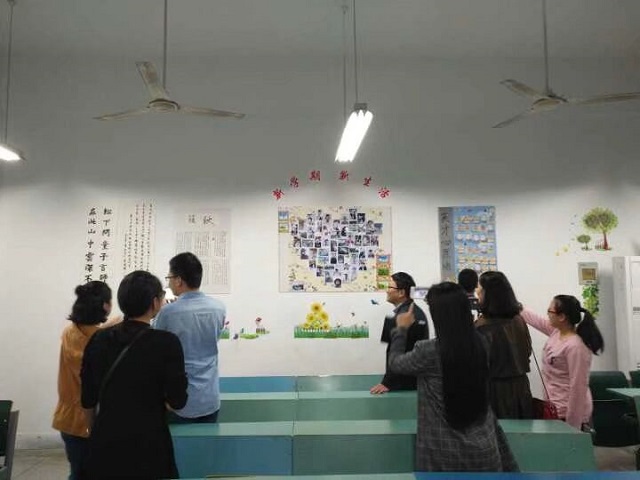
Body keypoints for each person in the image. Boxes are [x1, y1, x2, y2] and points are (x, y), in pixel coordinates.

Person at [388, 282, 518, 472]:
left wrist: (401, 330)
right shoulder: (481, 344)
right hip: (484, 449)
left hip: (443, 454)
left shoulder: (428, 351)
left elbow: (395, 363)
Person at [81, 271, 188, 480]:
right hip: (150, 447)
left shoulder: (98, 339)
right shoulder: (167, 343)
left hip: (106, 445)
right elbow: (177, 401)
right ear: (155, 302)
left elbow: (87, 399)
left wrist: (94, 433)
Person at [154, 252, 226, 423]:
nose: (168, 283)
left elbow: (157, 347)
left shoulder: (167, 313)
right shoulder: (219, 308)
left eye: (169, 278)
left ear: (179, 280)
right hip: (210, 398)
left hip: (179, 401)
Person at [52, 281, 113, 480]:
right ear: (105, 306)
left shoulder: (69, 332)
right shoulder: (102, 340)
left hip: (68, 419)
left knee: (77, 472)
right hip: (91, 420)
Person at [521, 295, 604, 430]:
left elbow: (578, 388)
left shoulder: (576, 346)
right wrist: (514, 305)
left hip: (570, 413)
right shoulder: (557, 332)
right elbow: (536, 320)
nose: (547, 314)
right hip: (555, 410)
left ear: (562, 317)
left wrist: (573, 427)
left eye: (550, 311)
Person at [475, 271, 533, 419]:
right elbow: (527, 352)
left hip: (493, 391)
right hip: (521, 389)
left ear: (488, 295)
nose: (477, 294)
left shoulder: (482, 326)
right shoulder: (519, 320)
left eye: (480, 290)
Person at [370, 272, 429, 394]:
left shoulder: (404, 317)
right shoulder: (413, 312)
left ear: (401, 293)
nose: (387, 291)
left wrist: (387, 382)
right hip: (412, 382)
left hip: (404, 385)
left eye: (390, 287)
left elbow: (399, 352)